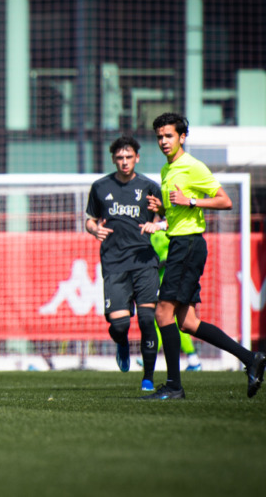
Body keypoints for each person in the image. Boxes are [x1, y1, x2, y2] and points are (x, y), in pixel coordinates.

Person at [144, 112, 266, 400]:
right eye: (160, 137)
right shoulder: (166, 169)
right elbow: (178, 209)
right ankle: (251, 359)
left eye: (169, 136)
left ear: (182, 137)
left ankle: (174, 386)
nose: (164, 141)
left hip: (187, 246)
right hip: (181, 243)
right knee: (187, 322)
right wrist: (162, 209)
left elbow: (225, 200)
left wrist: (190, 200)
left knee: (162, 312)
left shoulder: (192, 166)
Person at [85, 136, 163, 392]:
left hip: (144, 261)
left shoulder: (149, 187)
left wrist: (159, 221)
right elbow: (90, 220)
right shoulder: (100, 186)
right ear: (113, 159)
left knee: (147, 318)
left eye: (129, 157)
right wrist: (94, 229)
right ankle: (121, 343)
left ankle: (148, 378)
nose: (125, 162)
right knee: (119, 326)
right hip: (114, 263)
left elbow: (166, 218)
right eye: (120, 158)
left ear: (137, 158)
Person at [148, 229, 203, 371]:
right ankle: (192, 359)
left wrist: (154, 266)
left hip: (170, 281)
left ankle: (151, 355)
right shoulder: (153, 233)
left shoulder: (165, 232)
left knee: (171, 320)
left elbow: (167, 258)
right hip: (161, 281)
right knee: (171, 321)